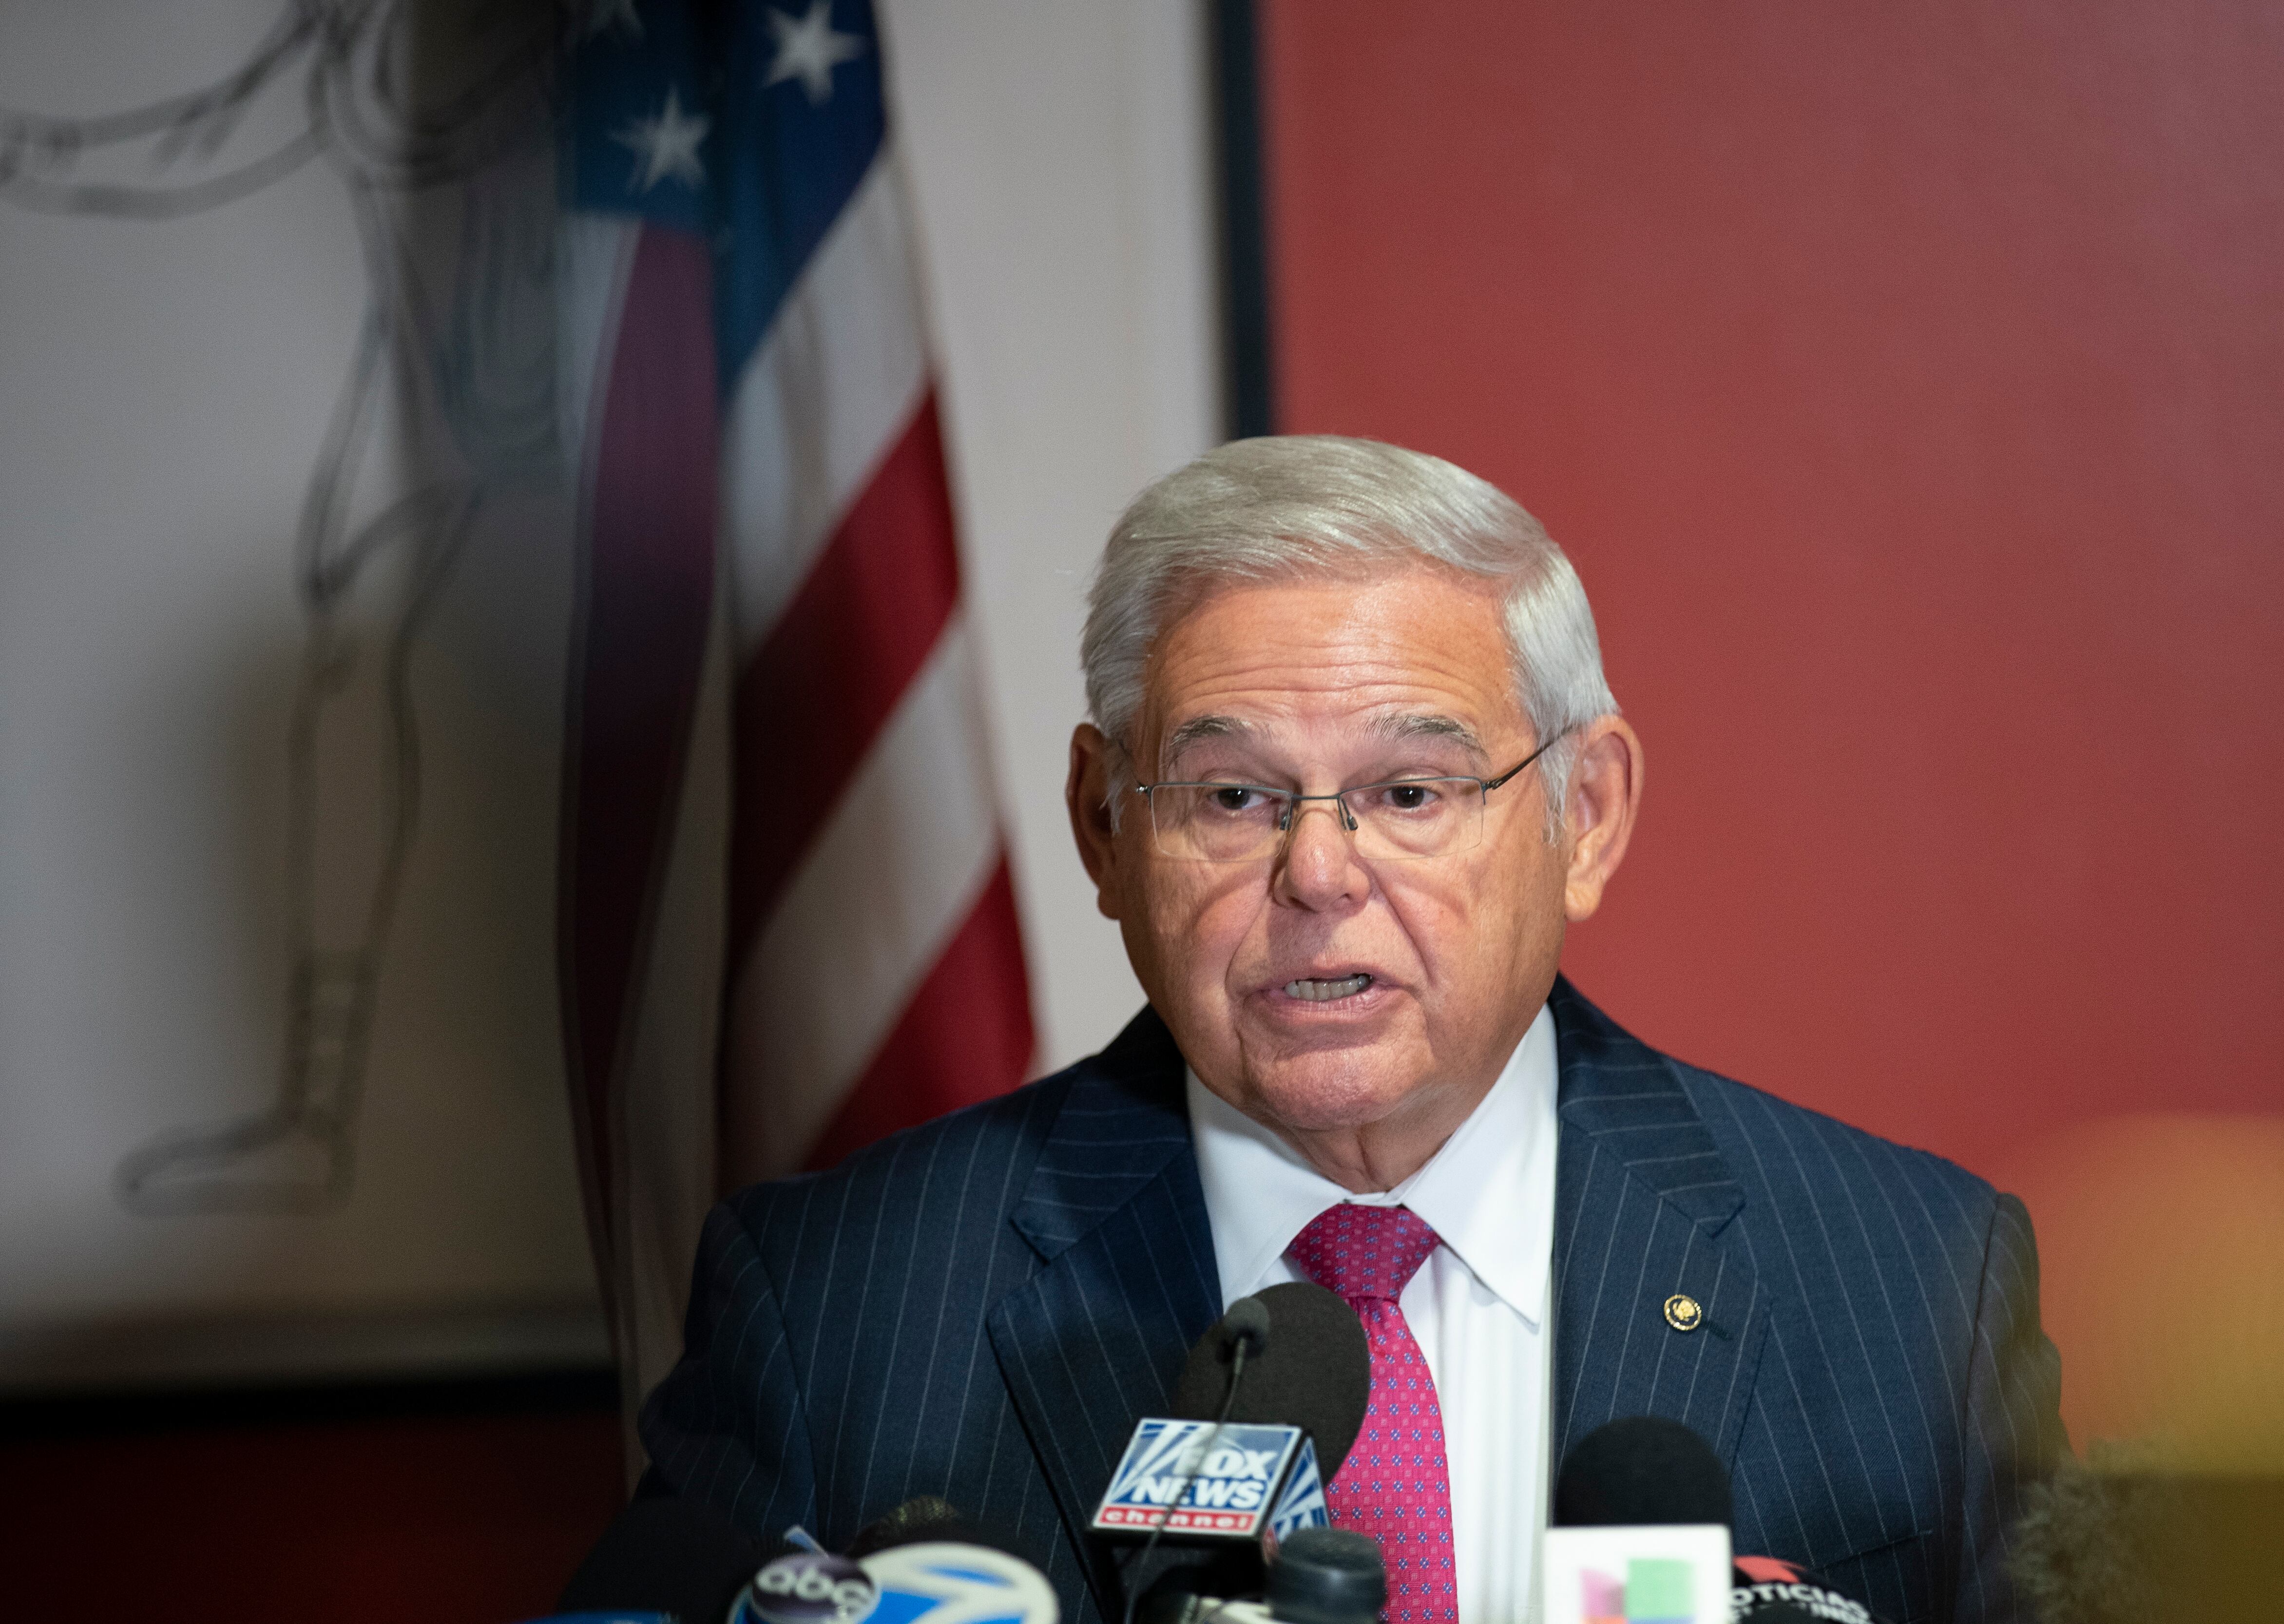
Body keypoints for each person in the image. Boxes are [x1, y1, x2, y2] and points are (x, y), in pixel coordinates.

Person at [639, 437, 2066, 1624]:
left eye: (1410, 792)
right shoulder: (834, 1309)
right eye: (1233, 798)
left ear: (1589, 816)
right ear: (1102, 828)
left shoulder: (1913, 1285)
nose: (1318, 877)